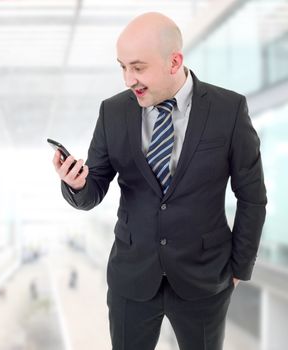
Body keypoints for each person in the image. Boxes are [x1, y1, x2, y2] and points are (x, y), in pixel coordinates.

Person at [51, 12, 266, 350]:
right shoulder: (113, 112)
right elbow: (94, 189)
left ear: (174, 61)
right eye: (122, 67)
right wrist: (76, 184)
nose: (127, 79)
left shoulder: (229, 110)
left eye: (137, 67)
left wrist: (240, 267)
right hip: (132, 278)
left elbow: (252, 197)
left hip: (204, 279)